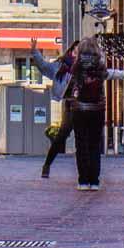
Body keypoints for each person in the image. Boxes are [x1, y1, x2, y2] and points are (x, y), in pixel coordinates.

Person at [67, 38, 124, 191]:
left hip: (80, 109)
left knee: (81, 145)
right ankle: (94, 181)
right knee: (95, 145)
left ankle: (83, 181)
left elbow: (70, 83)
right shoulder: (99, 65)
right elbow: (110, 74)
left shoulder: (76, 66)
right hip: (97, 109)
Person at [31, 42, 78, 179]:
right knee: (61, 137)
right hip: (70, 104)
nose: (77, 54)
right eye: (76, 50)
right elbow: (45, 67)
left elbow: (104, 73)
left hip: (83, 105)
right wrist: (35, 52)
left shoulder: (85, 66)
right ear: (71, 50)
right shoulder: (61, 65)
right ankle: (47, 164)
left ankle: (85, 173)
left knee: (84, 138)